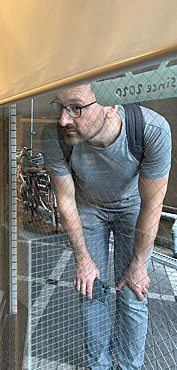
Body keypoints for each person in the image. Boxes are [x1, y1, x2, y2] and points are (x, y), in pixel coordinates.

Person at [41, 84, 171, 370]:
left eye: (76, 107)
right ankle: (98, 366)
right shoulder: (55, 135)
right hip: (87, 207)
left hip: (132, 206)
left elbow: (153, 204)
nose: (64, 119)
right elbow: (65, 201)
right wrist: (83, 260)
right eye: (60, 106)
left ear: (112, 105)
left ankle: (128, 367)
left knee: (133, 292)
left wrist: (138, 265)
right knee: (91, 290)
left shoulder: (152, 130)